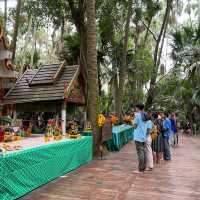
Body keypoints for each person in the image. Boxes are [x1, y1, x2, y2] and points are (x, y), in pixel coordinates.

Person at [133, 104, 147, 173]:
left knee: (140, 153)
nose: (135, 109)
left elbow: (135, 126)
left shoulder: (137, 115)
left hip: (138, 136)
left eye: (135, 107)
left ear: (138, 108)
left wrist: (133, 122)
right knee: (144, 152)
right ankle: (144, 167)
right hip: (143, 136)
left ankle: (140, 169)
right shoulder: (145, 115)